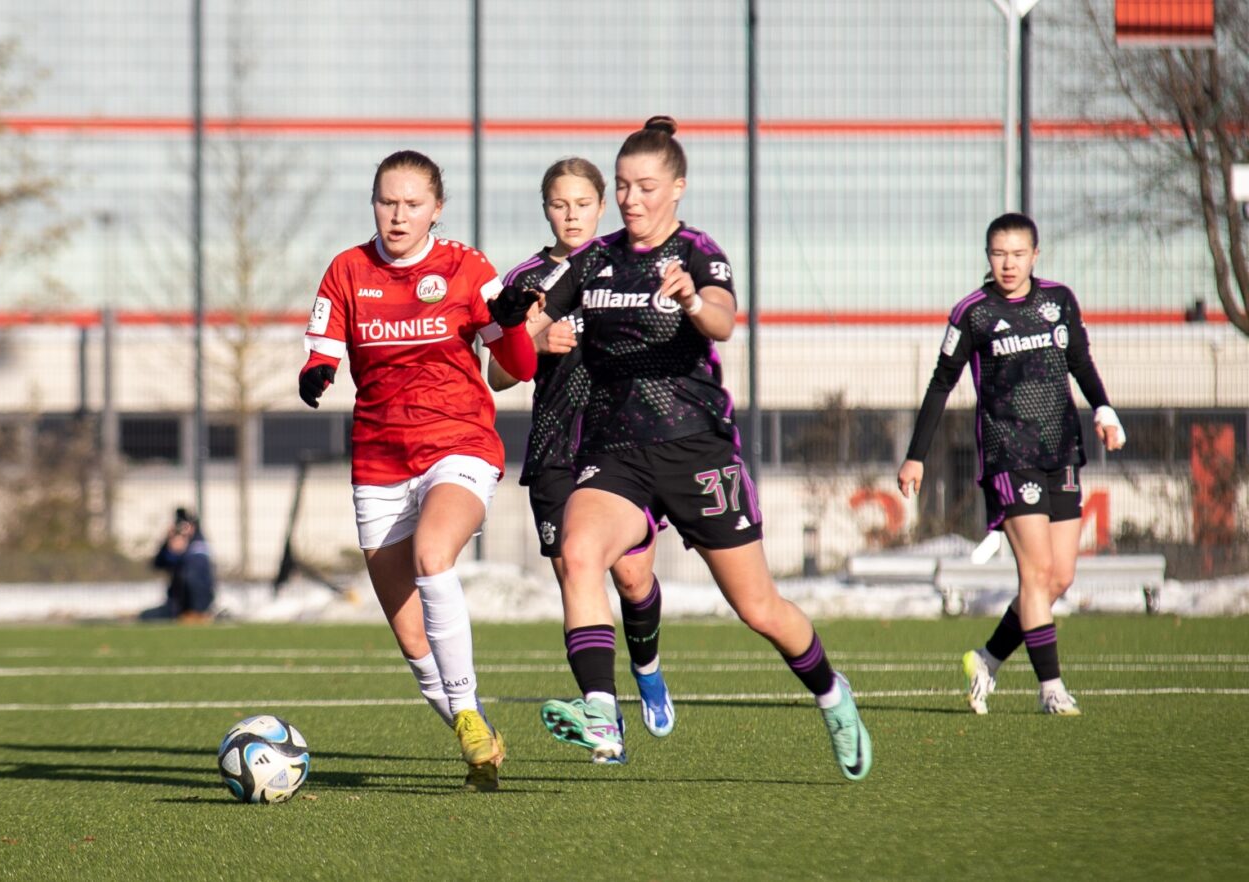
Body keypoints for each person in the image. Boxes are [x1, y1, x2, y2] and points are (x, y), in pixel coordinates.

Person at [509, 117, 873, 779]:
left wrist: (693, 302)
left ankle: (831, 692)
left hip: (697, 449)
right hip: (616, 451)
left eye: (644, 186)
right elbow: (533, 321)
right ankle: (599, 708)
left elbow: (724, 320)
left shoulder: (697, 250)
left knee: (758, 608)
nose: (630, 199)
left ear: (677, 187)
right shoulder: (595, 258)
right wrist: (527, 333)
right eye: (621, 186)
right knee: (578, 552)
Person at [297, 149, 541, 792]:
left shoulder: (467, 268)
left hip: (458, 444)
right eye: (387, 201)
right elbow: (322, 344)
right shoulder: (348, 270)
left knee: (435, 555)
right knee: (411, 638)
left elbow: (518, 367)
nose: (398, 214)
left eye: (412, 203)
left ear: (437, 208)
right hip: (378, 462)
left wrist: (513, 324)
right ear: (373, 203)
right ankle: (477, 734)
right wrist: (317, 371)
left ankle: (466, 714)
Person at [898, 213, 1125, 716]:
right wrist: (916, 456)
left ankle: (987, 659)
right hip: (1009, 455)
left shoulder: (1059, 301)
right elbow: (941, 384)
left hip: (1061, 449)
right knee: (1036, 571)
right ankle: (1051, 689)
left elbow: (1081, 361)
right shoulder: (973, 313)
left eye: (1018, 253)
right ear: (988, 256)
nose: (1008, 263)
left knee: (1059, 578)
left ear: (1035, 256)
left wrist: (1104, 409)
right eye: (999, 253)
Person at [486, 157, 676, 756]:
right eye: (559, 204)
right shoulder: (523, 282)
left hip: (623, 445)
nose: (571, 215)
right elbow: (494, 374)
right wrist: (536, 341)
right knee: (576, 570)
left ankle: (645, 666)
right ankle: (605, 719)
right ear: (546, 208)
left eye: (582, 204)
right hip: (554, 448)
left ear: (602, 206)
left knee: (631, 574)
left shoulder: (627, 265)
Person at [146, 509, 216, 623]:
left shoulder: (198, 546)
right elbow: (158, 564)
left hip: (194, 606)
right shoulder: (178, 543)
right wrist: (168, 547)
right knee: (146, 616)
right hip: (176, 605)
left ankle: (198, 613)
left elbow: (195, 579)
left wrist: (197, 610)